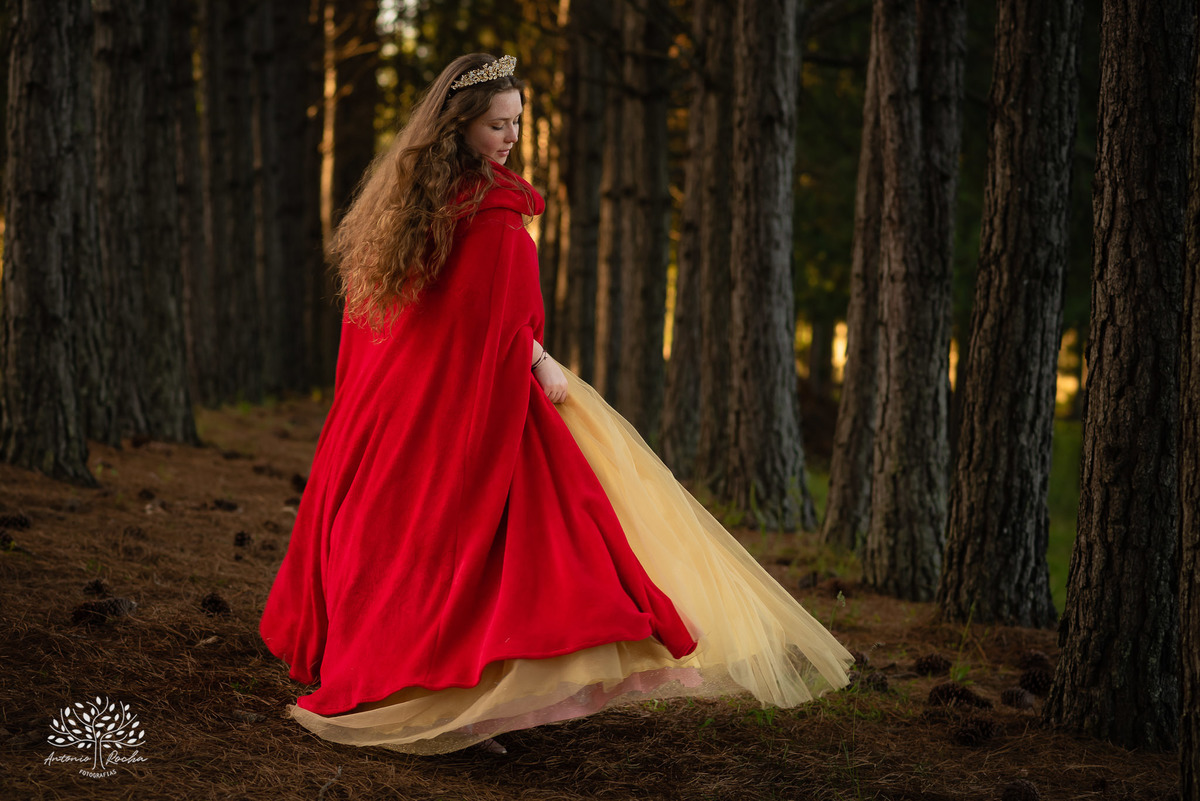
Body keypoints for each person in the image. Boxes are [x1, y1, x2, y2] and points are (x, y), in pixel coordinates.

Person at [259, 53, 853, 757]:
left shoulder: (406, 205)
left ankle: (455, 698)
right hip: (460, 407)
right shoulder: (492, 220)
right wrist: (537, 358)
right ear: (459, 126)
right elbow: (493, 321)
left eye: (515, 122)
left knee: (459, 549)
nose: (508, 137)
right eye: (494, 125)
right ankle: (453, 702)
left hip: (410, 409)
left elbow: (425, 322)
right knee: (521, 545)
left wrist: (518, 357)